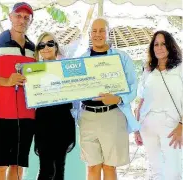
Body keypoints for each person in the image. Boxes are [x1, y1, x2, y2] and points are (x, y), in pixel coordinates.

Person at [73, 17, 140, 180]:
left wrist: (118, 99)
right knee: (92, 167)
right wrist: (76, 115)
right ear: (90, 34)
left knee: (109, 167)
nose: (98, 34)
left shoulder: (122, 57)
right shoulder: (80, 59)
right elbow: (74, 90)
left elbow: (133, 86)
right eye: (94, 31)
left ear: (108, 33)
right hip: (87, 117)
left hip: (113, 115)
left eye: (102, 30)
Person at [134, 30, 182, 180]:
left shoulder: (180, 69)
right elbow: (141, 101)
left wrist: (181, 125)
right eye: (156, 44)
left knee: (174, 171)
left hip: (172, 126)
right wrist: (136, 128)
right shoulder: (148, 71)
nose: (159, 47)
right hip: (147, 126)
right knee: (156, 170)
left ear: (170, 46)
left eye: (163, 44)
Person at [0, 2, 35, 180]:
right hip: (1, 114)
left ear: (30, 22)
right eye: (18, 16)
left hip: (27, 115)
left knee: (18, 168)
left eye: (26, 17)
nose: (22, 20)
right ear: (10, 17)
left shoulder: (34, 49)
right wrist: (6, 81)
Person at [34, 32, 76, 180]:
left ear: (56, 47)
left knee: (60, 169)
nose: (46, 48)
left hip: (63, 121)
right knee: (46, 169)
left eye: (50, 44)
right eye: (42, 45)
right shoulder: (32, 71)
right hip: (43, 122)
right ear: (38, 49)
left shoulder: (66, 67)